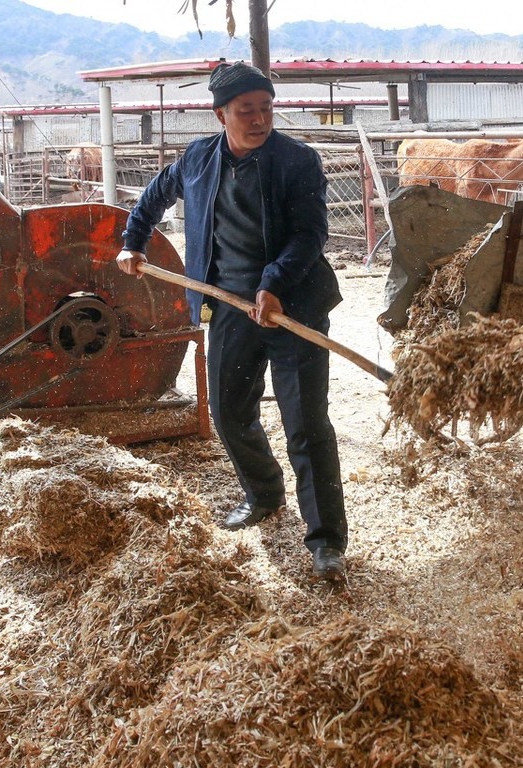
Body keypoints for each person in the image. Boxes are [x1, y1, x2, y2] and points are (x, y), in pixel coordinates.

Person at [116, 61, 349, 581]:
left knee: (306, 426)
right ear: (221, 113)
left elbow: (310, 236)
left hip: (291, 308)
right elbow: (154, 196)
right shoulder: (198, 158)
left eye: (266, 108)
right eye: (247, 111)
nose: (259, 119)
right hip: (228, 306)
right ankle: (264, 494)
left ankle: (327, 541)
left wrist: (273, 285)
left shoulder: (297, 161)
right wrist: (132, 242)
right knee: (228, 411)